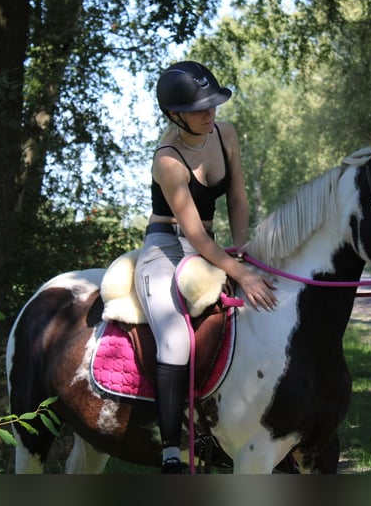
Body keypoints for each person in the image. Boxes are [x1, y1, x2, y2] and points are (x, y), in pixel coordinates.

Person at [134, 60, 277, 473]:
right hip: (166, 246)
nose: (209, 112)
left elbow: (237, 197)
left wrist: (242, 248)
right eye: (198, 108)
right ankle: (171, 451)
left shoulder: (225, 133)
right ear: (174, 115)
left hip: (212, 246)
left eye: (212, 104)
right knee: (176, 339)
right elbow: (193, 235)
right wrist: (239, 271)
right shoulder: (168, 159)